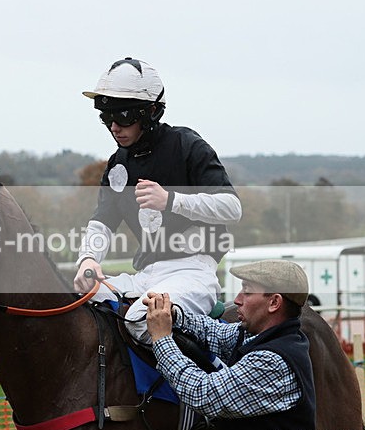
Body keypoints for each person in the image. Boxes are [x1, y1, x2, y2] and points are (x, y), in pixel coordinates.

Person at [73, 57, 241, 344]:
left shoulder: (186, 145)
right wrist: (87, 259)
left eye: (123, 116)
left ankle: (208, 382)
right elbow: (102, 223)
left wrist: (171, 200)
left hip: (192, 272)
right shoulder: (117, 166)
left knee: (141, 320)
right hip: (145, 275)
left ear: (150, 111)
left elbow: (232, 208)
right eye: (106, 117)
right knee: (74, 302)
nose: (114, 126)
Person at [143, 259, 332, 430]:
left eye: (247, 291)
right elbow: (216, 333)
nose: (238, 299)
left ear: (274, 302)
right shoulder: (258, 335)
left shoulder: (273, 361)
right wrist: (175, 315)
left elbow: (204, 394)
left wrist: (161, 339)